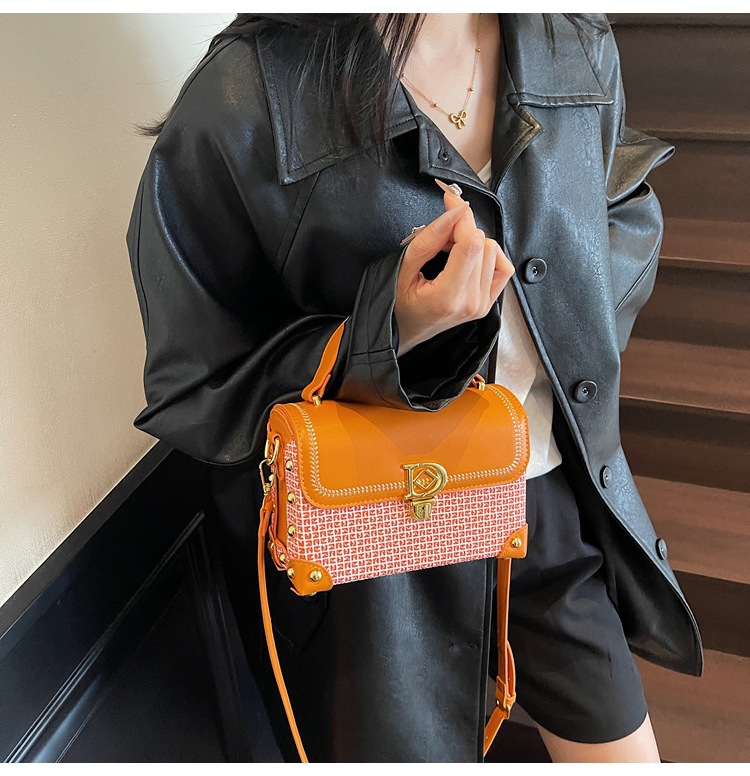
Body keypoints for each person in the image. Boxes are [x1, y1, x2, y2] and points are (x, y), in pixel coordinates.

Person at [126, 13, 703, 763]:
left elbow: (620, 197)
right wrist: (387, 330)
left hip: (543, 493)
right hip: (379, 539)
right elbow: (194, 377)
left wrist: (574, 309)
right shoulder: (250, 89)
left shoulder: (570, 41)